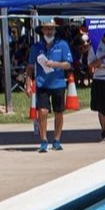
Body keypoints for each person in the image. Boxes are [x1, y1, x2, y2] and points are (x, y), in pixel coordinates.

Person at [25, 17, 73, 152]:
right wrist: (28, 82)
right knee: (43, 111)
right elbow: (30, 66)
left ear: (55, 30)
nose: (49, 31)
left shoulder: (62, 45)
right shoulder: (36, 47)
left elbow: (68, 64)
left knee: (58, 112)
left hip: (58, 84)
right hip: (42, 84)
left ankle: (57, 139)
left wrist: (55, 64)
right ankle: (43, 140)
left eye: (51, 29)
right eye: (46, 29)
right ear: (42, 31)